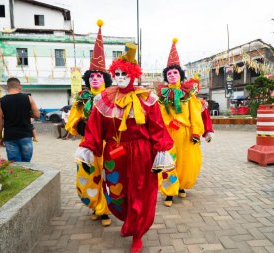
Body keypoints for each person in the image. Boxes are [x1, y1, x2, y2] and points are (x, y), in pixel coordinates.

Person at [75, 43, 174, 253]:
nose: (120, 77)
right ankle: (128, 220)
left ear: (133, 75)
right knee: (116, 193)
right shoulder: (103, 100)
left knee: (141, 193)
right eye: (117, 73)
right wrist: (88, 146)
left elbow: (157, 128)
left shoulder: (147, 99)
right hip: (114, 153)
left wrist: (161, 151)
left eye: (124, 73)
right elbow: (94, 126)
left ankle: (137, 233)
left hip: (141, 153)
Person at [65, 20, 112, 226]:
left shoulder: (112, 97)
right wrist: (79, 126)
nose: (95, 78)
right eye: (92, 76)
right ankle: (95, 205)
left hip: (108, 144)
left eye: (99, 76)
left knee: (109, 175)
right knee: (88, 175)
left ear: (105, 79)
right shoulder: (82, 98)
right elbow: (72, 120)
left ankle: (105, 210)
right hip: (88, 145)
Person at [157, 38, 204, 207]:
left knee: (186, 162)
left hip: (184, 134)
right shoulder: (161, 96)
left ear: (180, 75)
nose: (171, 75)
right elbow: (157, 117)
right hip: (167, 134)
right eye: (169, 73)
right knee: (167, 162)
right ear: (166, 76)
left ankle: (181, 186)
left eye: (175, 73)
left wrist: (196, 133)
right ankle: (169, 192)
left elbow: (195, 115)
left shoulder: (188, 95)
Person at [0, 77, 40, 162]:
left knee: (15, 165)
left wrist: (0, 138)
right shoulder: (28, 98)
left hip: (10, 136)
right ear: (20, 87)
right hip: (25, 135)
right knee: (26, 163)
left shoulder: (0, 101)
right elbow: (37, 115)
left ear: (7, 87)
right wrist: (27, 113)